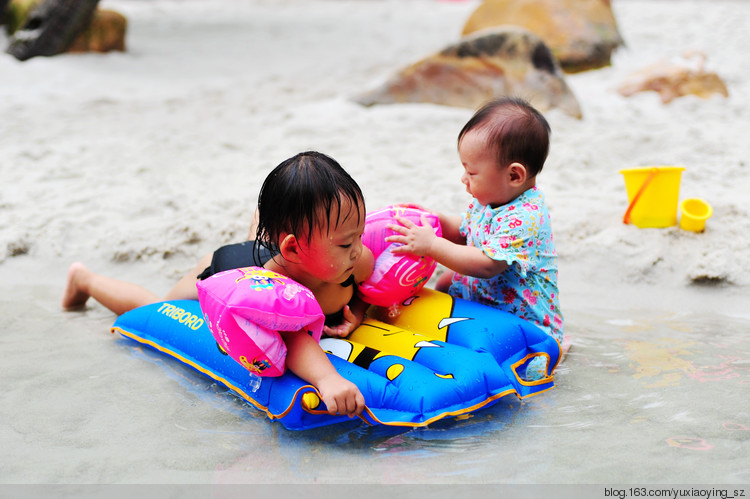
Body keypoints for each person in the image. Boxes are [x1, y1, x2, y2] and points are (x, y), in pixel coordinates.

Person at [62, 151, 373, 417]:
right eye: (346, 244)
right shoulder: (278, 296)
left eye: (358, 235)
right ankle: (85, 280)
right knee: (158, 309)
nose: (357, 249)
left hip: (277, 252)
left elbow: (369, 290)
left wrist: (356, 313)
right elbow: (294, 341)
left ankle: (260, 226)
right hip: (229, 272)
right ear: (292, 247)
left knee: (266, 242)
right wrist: (328, 379)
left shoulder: (354, 261)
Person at [386, 97, 563, 347]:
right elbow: (465, 230)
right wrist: (434, 220)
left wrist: (431, 245)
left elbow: (487, 265)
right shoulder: (493, 198)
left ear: (514, 175)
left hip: (525, 329)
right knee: (448, 280)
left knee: (453, 276)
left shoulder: (527, 217)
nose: (463, 179)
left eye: (471, 172)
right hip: (490, 306)